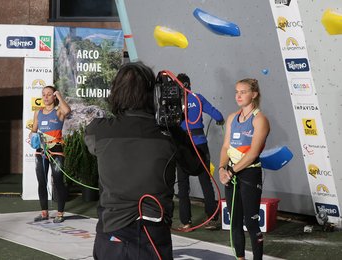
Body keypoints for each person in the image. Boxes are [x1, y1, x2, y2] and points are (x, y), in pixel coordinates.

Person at [84, 62, 203, 260]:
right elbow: (196, 166)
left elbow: (93, 145)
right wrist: (174, 125)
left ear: (116, 92)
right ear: (154, 94)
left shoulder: (98, 130)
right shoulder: (170, 134)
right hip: (153, 233)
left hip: (112, 232)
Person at [218, 78, 270, 260]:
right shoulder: (232, 118)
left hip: (249, 173)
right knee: (235, 222)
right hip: (231, 174)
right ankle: (239, 258)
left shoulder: (260, 120)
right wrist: (221, 169)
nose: (238, 96)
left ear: (254, 94)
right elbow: (226, 147)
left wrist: (231, 171)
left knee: (251, 222)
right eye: (237, 92)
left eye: (243, 92)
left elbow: (253, 154)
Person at [176, 73, 224, 231]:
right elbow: (217, 115)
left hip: (183, 148)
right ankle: (212, 219)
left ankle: (186, 222)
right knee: (205, 182)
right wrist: (220, 120)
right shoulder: (199, 98)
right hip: (200, 146)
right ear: (189, 84)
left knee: (183, 185)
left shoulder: (175, 103)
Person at [30, 85, 71, 223]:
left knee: (58, 180)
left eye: (49, 94)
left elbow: (67, 110)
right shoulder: (38, 112)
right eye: (44, 94)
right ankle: (44, 213)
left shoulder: (59, 111)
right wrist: (32, 137)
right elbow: (34, 129)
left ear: (53, 96)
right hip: (41, 151)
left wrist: (59, 95)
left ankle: (60, 213)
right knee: (42, 181)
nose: (46, 97)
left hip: (56, 150)